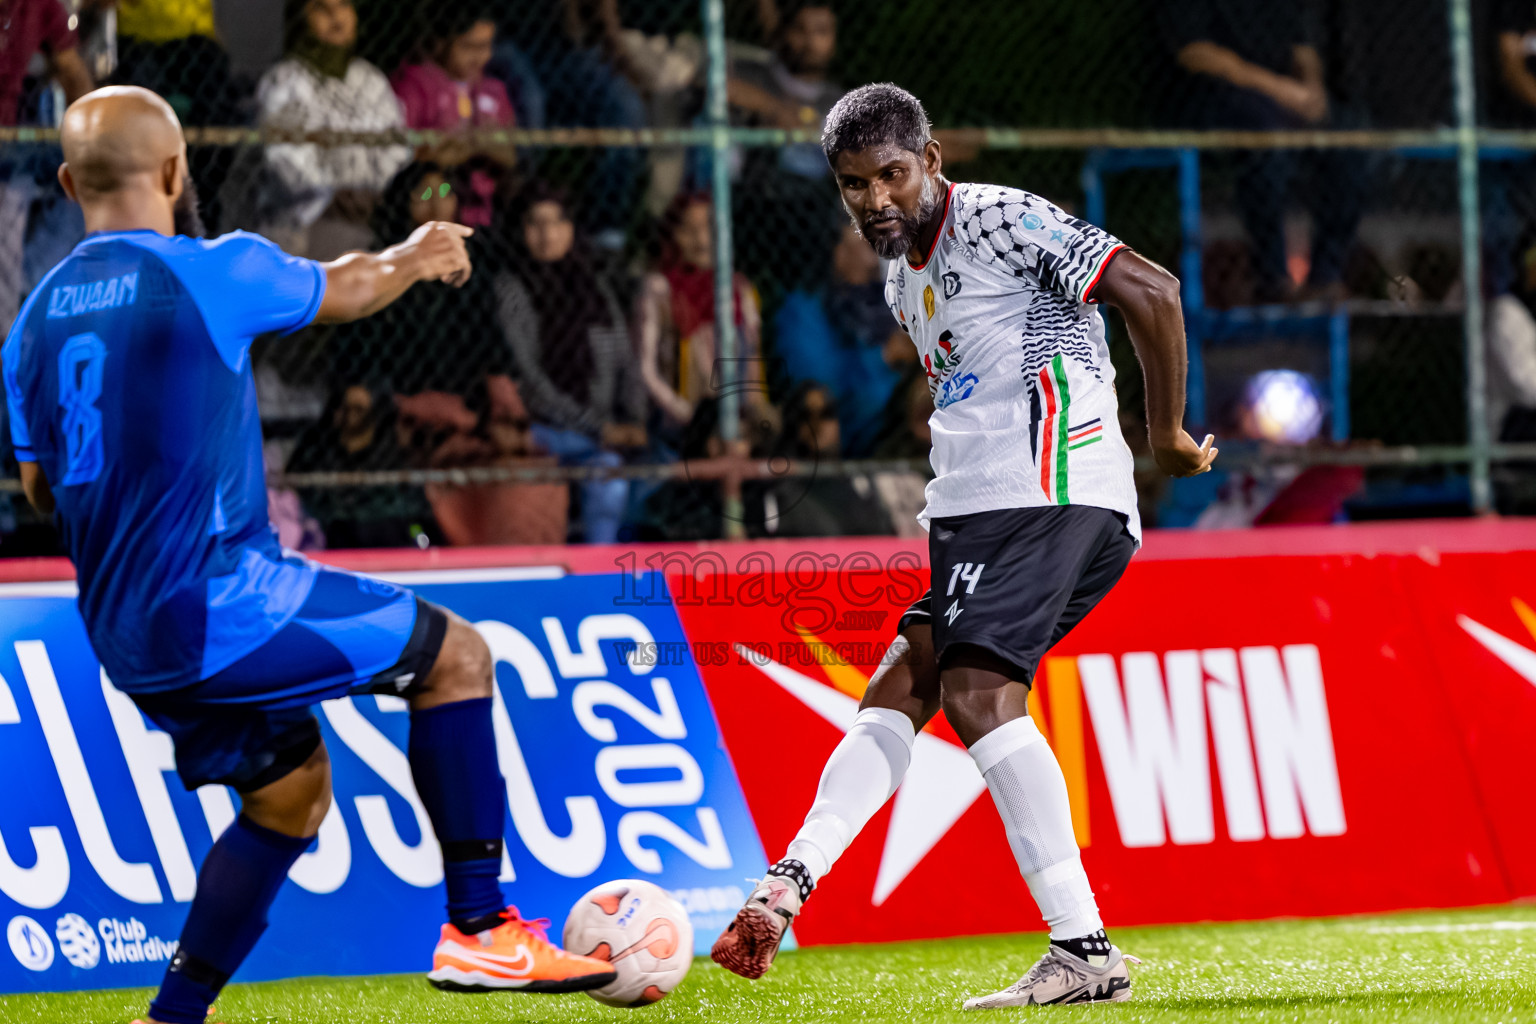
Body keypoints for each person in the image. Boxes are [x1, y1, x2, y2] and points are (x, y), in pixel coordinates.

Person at [0, 87, 615, 1024]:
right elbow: (352, 284)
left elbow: (44, 491)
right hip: (221, 599)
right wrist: (417, 253)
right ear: (174, 172)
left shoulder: (32, 324)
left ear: (65, 182)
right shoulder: (212, 269)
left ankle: (170, 1018)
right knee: (457, 657)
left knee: (289, 796)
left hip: (123, 631)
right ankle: (481, 929)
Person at [708, 84, 1218, 1008]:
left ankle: (1083, 947)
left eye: (892, 174)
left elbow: (1153, 289)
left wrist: (1167, 436)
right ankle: (787, 886)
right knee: (907, 679)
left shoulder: (996, 218)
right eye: (853, 183)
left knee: (981, 694)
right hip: (978, 506)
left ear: (931, 160)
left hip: (1047, 483)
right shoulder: (904, 273)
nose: (875, 199)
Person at [1160, 0, 1364, 303]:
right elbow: (1195, 53)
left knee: (1353, 141)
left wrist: (1313, 91)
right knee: (1269, 142)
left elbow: (1302, 47)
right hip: (1216, 100)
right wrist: (1282, 90)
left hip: (1284, 102)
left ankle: (1325, 277)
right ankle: (1272, 279)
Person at [495, 183, 646, 543]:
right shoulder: (512, 289)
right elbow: (531, 382)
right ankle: (588, 579)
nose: (548, 234)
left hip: (600, 430)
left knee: (639, 473)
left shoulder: (594, 286)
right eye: (535, 223)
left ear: (572, 228)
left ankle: (609, 575)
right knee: (607, 472)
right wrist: (599, 429)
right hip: (547, 429)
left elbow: (626, 358)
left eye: (557, 222)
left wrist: (634, 420)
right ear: (521, 230)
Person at [249, 0, 413, 259]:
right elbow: (288, 163)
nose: (336, 18)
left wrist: (369, 190)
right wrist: (335, 193)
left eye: (343, 6)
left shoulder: (370, 79)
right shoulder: (285, 80)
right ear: (300, 20)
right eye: (321, 8)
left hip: (370, 213)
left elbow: (396, 147)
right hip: (306, 220)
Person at [635, 190, 767, 448]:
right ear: (673, 235)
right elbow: (646, 370)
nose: (701, 239)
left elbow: (752, 365)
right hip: (679, 426)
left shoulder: (739, 290)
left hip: (737, 426)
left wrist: (753, 418)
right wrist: (689, 415)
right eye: (688, 229)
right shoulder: (658, 290)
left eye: (708, 227)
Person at [773, 222, 905, 456]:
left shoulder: (888, 305)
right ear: (839, 252)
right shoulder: (804, 313)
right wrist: (884, 357)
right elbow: (823, 394)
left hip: (898, 442)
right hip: (842, 448)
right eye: (868, 245)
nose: (878, 258)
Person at [391, 8, 517, 229]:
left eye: (485, 46)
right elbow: (404, 149)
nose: (478, 56)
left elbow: (510, 152)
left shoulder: (493, 89)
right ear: (442, 43)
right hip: (432, 193)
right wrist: (476, 145)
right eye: (468, 46)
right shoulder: (416, 82)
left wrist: (461, 147)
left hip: (484, 205)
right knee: (437, 190)